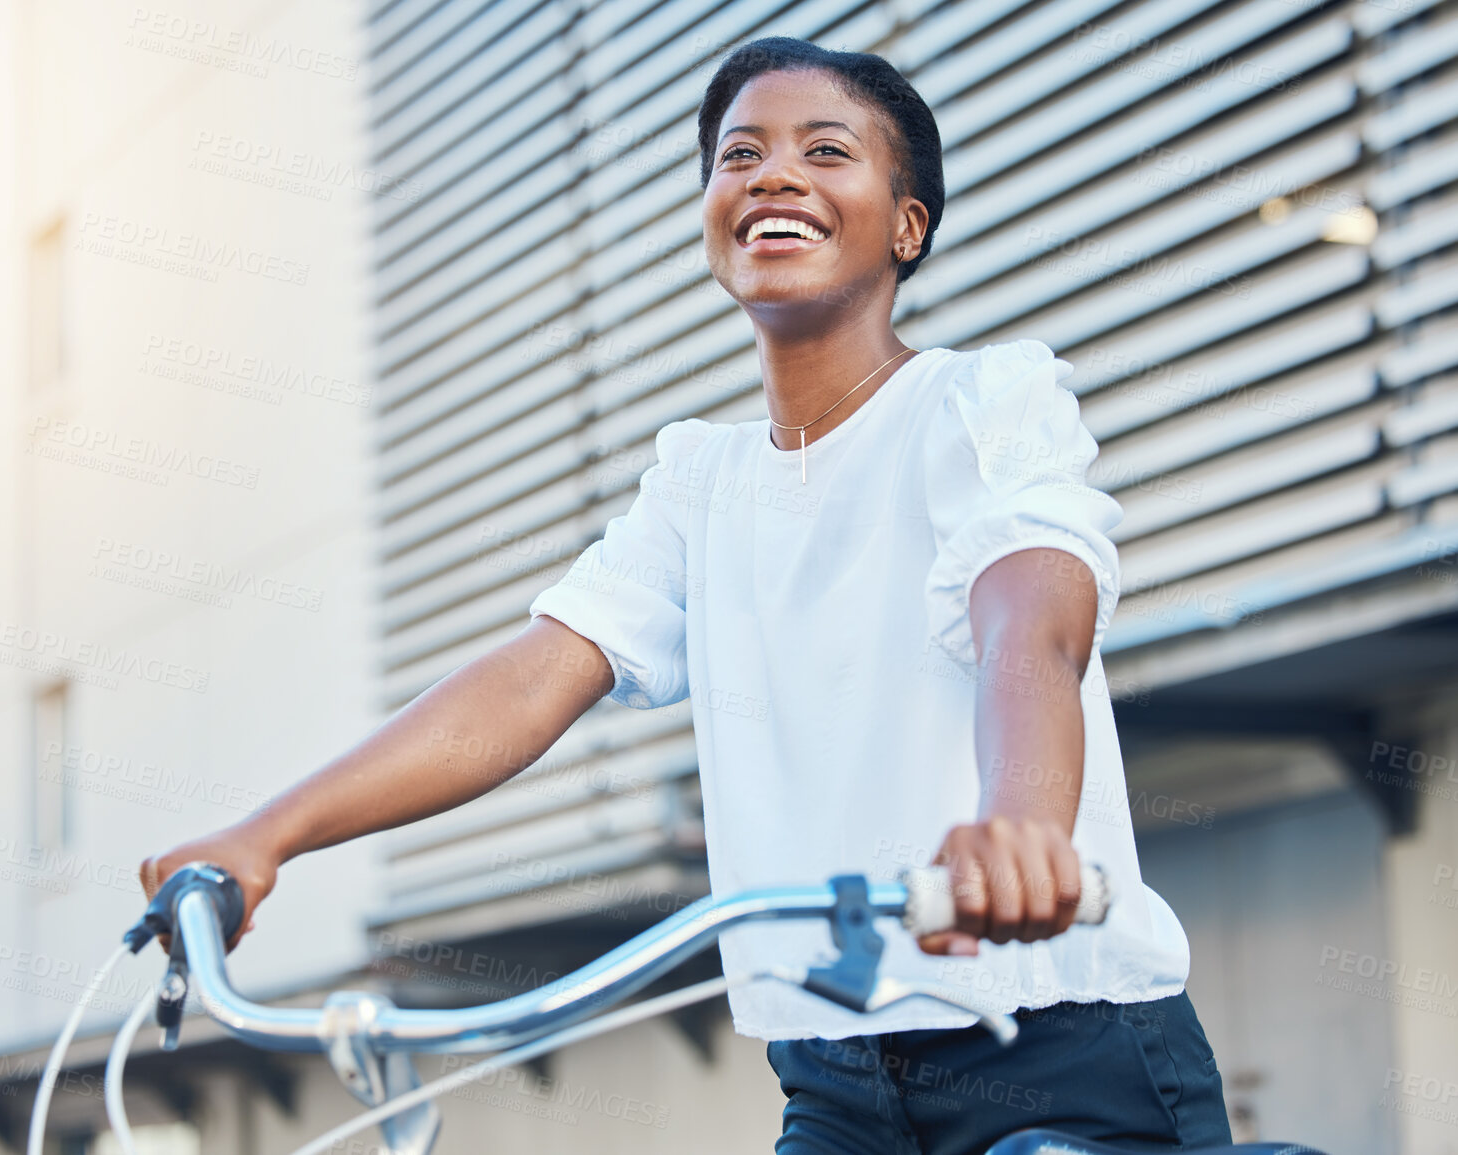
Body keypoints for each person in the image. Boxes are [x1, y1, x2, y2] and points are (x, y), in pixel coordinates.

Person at [140, 36, 1231, 1153]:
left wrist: (1021, 830)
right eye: (738, 154)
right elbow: (527, 685)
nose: (770, 175)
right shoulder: (701, 485)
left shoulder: (982, 401)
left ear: (908, 225)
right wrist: (265, 836)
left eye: (825, 150)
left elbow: (1031, 626)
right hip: (840, 1080)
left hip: (1061, 1051)